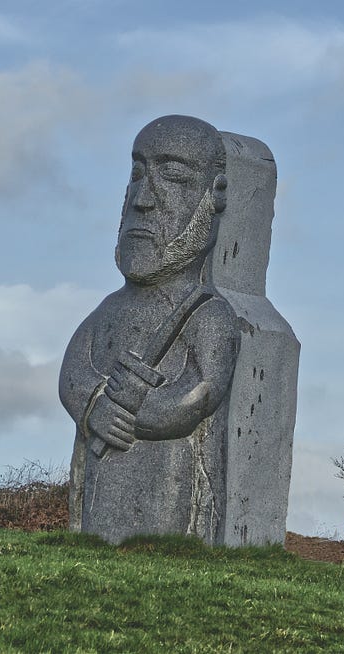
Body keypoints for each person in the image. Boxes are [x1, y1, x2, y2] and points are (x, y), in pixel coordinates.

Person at [59, 115, 240, 543]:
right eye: (137, 174)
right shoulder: (108, 309)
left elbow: (199, 393)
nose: (143, 199)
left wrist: (138, 413)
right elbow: (73, 371)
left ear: (213, 195)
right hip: (96, 495)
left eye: (172, 177)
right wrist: (94, 407)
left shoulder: (208, 314)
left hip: (169, 496)